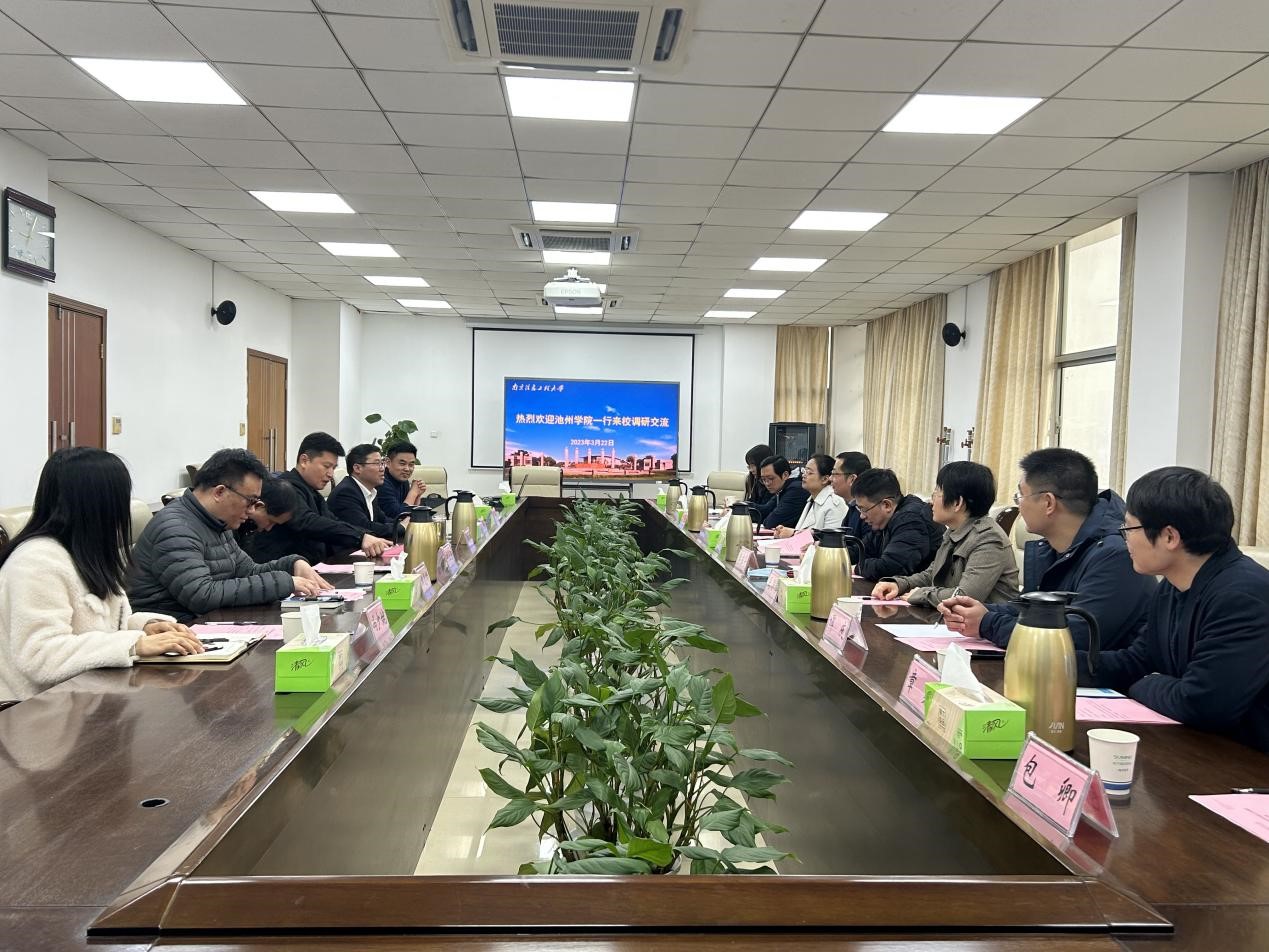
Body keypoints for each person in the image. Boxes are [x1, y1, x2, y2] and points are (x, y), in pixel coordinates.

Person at [1076, 467, 1269, 753]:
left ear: (1169, 537)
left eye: (1129, 528)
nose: (1124, 538)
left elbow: (1203, 704)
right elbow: (1138, 661)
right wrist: (1057, 663)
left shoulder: (1243, 596)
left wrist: (1143, 684)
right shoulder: (1172, 586)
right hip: (1196, 746)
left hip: (1247, 761)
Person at [0, 448, 204, 702]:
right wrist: (135, 644)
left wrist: (144, 627)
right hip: (32, 711)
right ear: (98, 505)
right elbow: (41, 655)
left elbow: (95, 625)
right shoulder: (36, 562)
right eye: (120, 499)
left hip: (81, 699)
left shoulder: (84, 551)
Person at [937, 448, 1154, 652]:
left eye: (1020, 496)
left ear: (1048, 503)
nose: (1018, 505)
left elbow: (1074, 636)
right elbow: (1032, 610)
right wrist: (975, 610)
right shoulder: (1052, 548)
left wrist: (987, 623)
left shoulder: (1115, 556)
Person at [129, 449, 332, 622]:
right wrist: (284, 583)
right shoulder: (175, 528)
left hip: (207, 624)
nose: (251, 510)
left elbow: (247, 571)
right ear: (219, 492)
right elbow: (202, 595)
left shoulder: (218, 523)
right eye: (250, 501)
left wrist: (292, 564)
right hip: (173, 631)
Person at [871, 461, 1019, 607]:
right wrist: (899, 584)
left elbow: (965, 596)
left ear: (957, 503)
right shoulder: (954, 532)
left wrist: (921, 595)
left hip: (988, 621)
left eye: (937, 493)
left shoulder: (989, 540)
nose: (931, 501)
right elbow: (931, 574)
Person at [242, 432, 391, 565]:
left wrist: (365, 536)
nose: (331, 474)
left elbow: (333, 521)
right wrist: (360, 537)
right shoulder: (285, 488)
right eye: (326, 466)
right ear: (304, 460)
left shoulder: (312, 491)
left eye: (333, 468)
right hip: (284, 571)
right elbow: (308, 521)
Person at [850, 468, 944, 581]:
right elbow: (860, 551)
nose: (862, 516)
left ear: (887, 505)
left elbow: (892, 567)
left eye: (864, 509)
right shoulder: (883, 522)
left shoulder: (911, 520)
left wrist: (857, 568)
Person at [329, 444, 402, 540]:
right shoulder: (346, 492)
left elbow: (383, 519)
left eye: (382, 463)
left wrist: (403, 522)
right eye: (377, 463)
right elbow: (365, 528)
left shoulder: (369, 491)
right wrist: (402, 527)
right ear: (357, 468)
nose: (382, 468)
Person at [773, 454, 845, 537]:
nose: (804, 475)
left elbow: (831, 539)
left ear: (825, 479)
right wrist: (789, 532)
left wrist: (793, 534)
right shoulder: (812, 499)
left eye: (809, 473)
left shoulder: (834, 504)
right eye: (804, 471)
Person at [234, 476, 298, 554]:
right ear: (259, 506)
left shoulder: (250, 529)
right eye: (270, 521)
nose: (268, 528)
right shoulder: (230, 526)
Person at [753, 456, 809, 531]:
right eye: (763, 479)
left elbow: (771, 522)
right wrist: (742, 506)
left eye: (770, 478)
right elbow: (765, 510)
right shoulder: (782, 488)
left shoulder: (796, 490)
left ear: (785, 475)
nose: (767, 483)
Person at [379, 440, 428, 520]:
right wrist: (413, 493)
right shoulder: (381, 482)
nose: (407, 469)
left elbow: (412, 514)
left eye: (411, 464)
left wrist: (418, 495)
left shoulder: (403, 481)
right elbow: (399, 516)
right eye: (402, 464)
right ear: (388, 462)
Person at [831, 451, 873, 542]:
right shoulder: (852, 507)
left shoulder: (869, 513)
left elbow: (862, 548)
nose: (830, 479)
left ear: (852, 479)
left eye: (834, 474)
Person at [744, 443, 774, 509]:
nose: (751, 470)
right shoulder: (757, 481)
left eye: (753, 466)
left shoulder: (773, 483)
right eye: (749, 466)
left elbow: (766, 509)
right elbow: (752, 501)